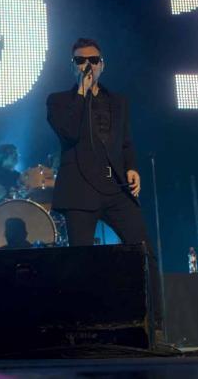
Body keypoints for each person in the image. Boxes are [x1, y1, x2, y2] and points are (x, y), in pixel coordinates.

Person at [46, 37, 161, 329]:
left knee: (144, 252)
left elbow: (125, 142)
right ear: (72, 66)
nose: (88, 65)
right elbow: (69, 133)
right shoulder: (59, 101)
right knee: (80, 263)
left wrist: (132, 168)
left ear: (103, 64)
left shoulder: (118, 101)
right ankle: (83, 327)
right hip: (80, 190)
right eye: (80, 61)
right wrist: (82, 93)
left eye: (93, 60)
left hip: (115, 189)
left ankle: (154, 325)